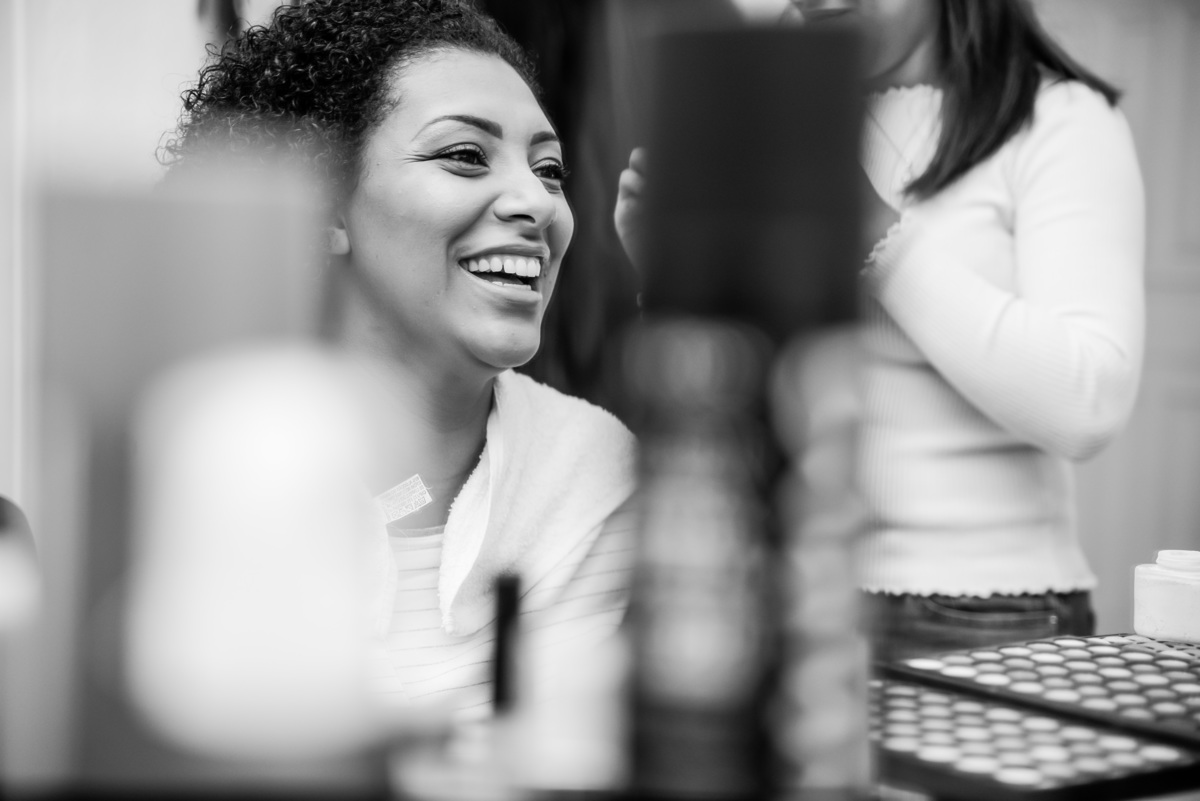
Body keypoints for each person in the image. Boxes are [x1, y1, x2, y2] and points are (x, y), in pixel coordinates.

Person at [615, 0, 1144, 661]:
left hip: (991, 612)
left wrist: (877, 234)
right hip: (797, 602)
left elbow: (1089, 401)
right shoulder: (778, 110)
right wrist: (672, 276)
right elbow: (748, 402)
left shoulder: (1063, 121)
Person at [164, 0, 638, 721]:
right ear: (322, 203)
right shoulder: (208, 472)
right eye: (465, 155)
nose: (538, 204)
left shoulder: (593, 473)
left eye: (550, 170)